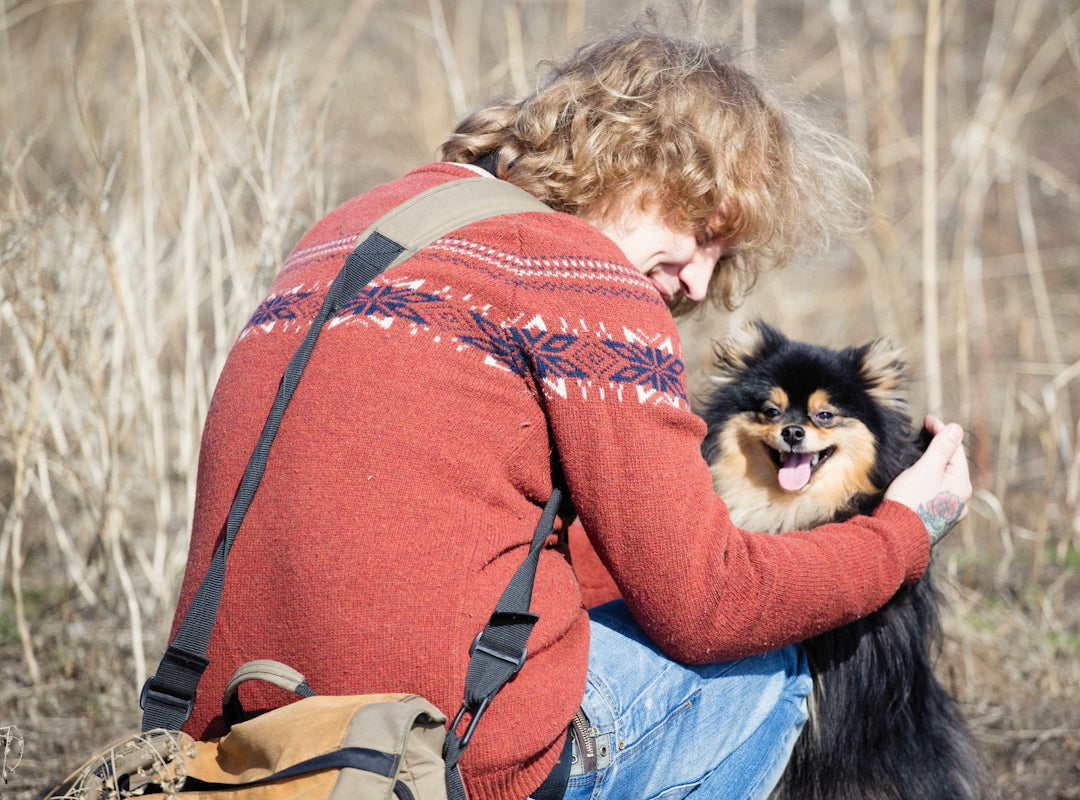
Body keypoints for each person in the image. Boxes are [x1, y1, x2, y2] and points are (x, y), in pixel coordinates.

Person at [170, 22, 972, 800]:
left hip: (234, 738)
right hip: (425, 761)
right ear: (640, 159)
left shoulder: (350, 229)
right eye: (702, 231)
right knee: (775, 667)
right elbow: (708, 607)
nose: (698, 282)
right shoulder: (589, 288)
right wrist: (904, 531)